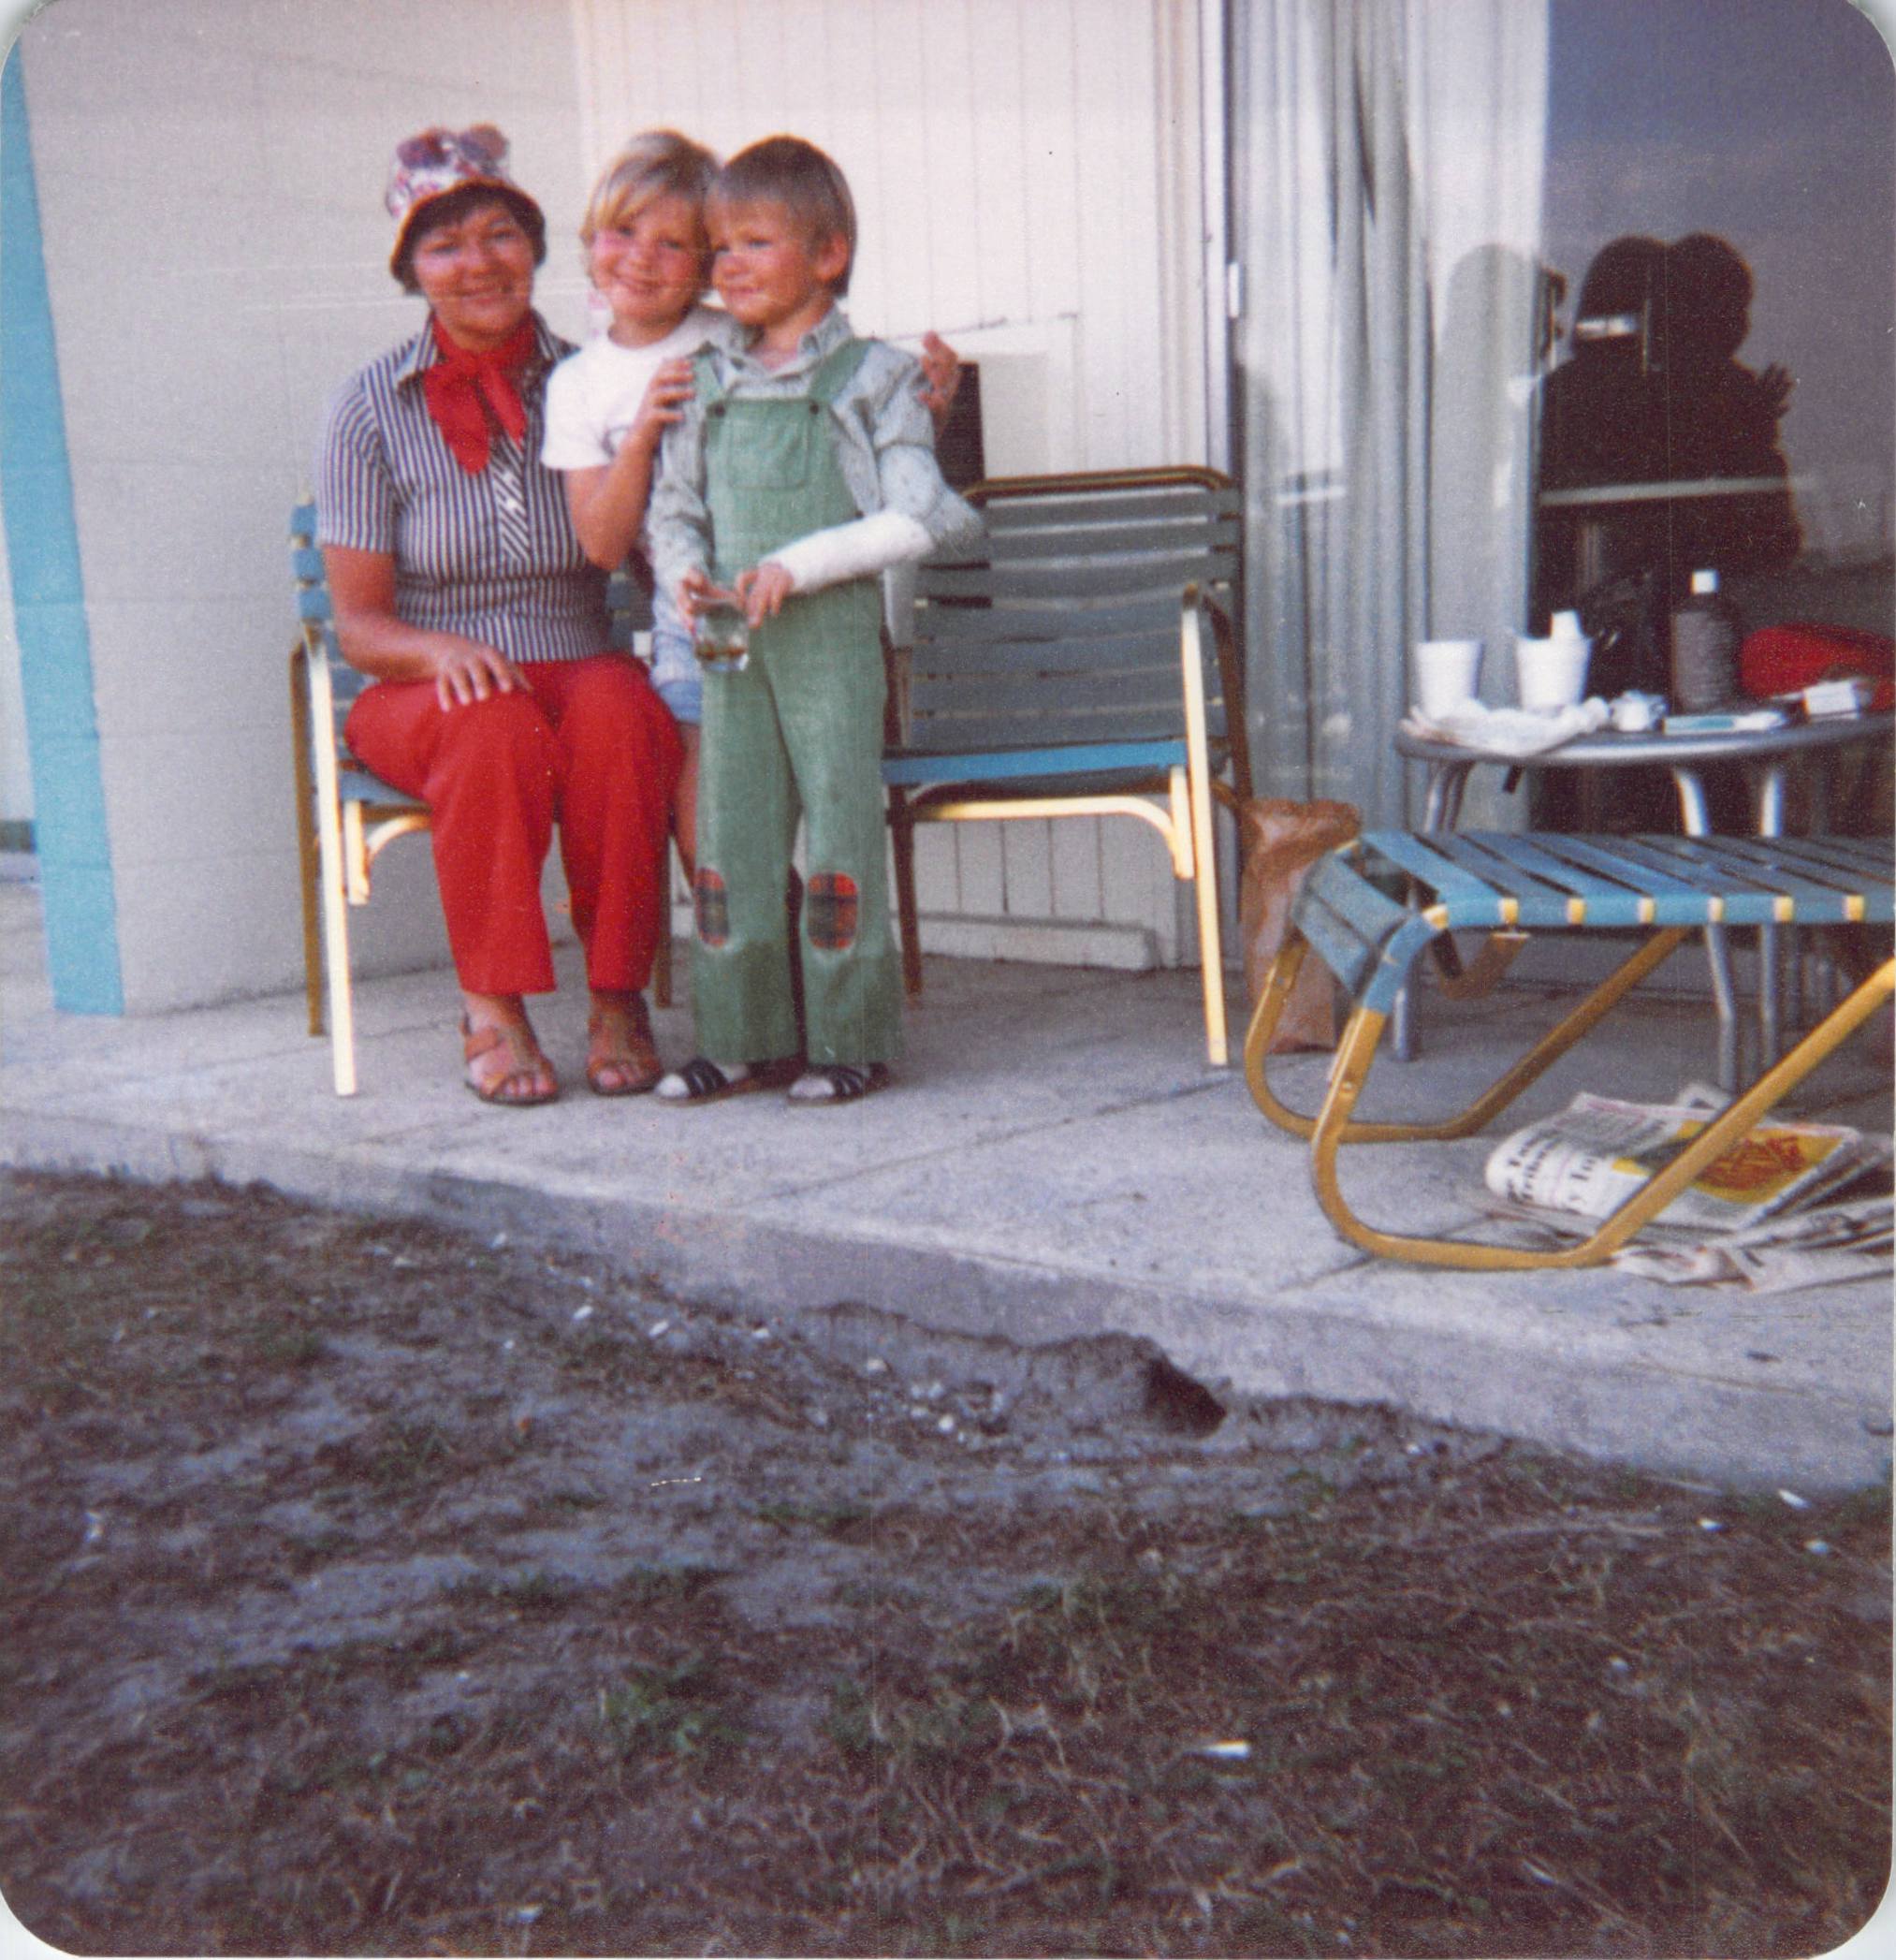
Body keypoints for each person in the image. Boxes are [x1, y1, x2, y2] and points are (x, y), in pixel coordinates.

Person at [317, 125, 683, 1107]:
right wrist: (439, 650)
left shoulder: (598, 378)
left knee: (622, 712)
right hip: (426, 689)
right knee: (491, 723)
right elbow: (358, 627)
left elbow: (660, 543)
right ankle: (492, 1003)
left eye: (499, 235)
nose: (477, 263)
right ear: (411, 270)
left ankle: (618, 994)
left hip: (578, 660)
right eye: (444, 246)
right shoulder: (367, 408)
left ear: (534, 246)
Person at [646, 136, 981, 1105]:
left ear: (828, 254)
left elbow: (916, 516)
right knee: (732, 832)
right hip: (729, 639)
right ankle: (740, 1036)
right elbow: (674, 510)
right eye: (718, 248)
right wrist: (685, 574)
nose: (728, 265)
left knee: (839, 827)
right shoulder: (704, 380)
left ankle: (849, 1037)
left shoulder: (875, 377)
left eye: (754, 243)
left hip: (829, 640)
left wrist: (798, 566)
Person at [541, 128, 963, 876]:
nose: (642, 257)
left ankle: (813, 944)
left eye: (677, 244)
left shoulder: (741, 331)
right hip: (702, 613)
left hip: (813, 611)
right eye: (624, 231)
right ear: (590, 239)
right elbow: (603, 545)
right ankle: (761, 946)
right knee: (713, 826)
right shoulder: (578, 383)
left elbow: (844, 410)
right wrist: (642, 435)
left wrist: (927, 406)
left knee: (825, 813)